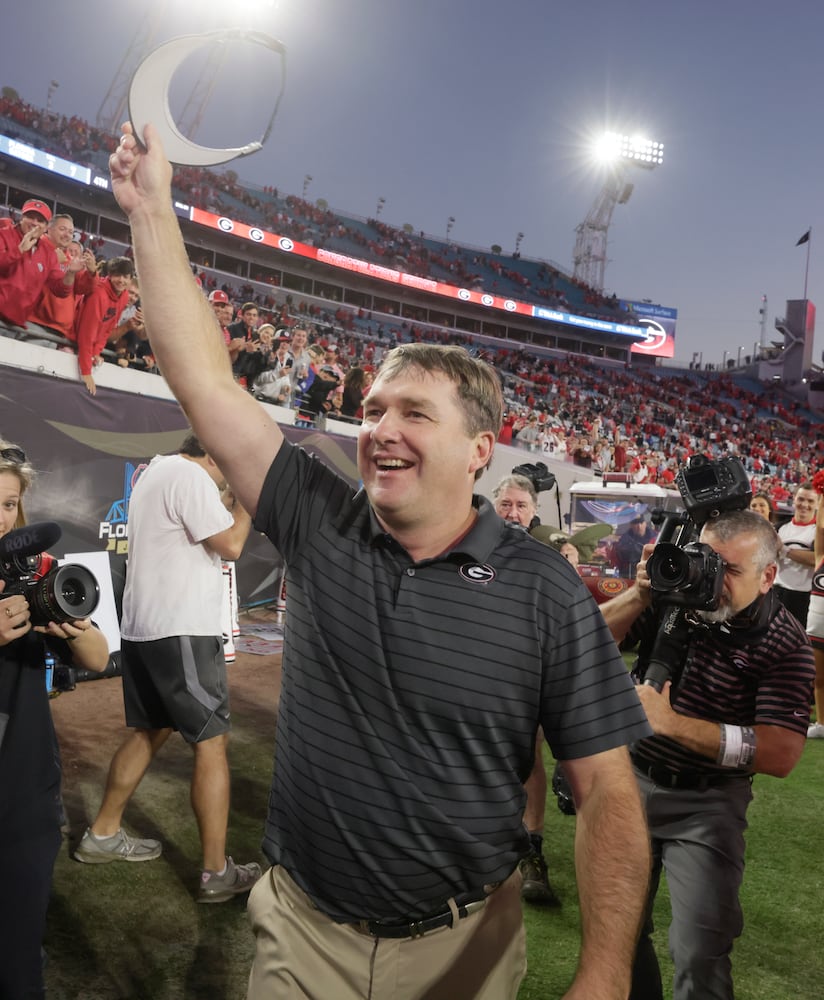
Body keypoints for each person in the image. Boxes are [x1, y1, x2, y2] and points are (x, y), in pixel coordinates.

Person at [107, 121, 652, 999]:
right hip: (301, 929)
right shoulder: (320, 517)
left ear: (482, 451)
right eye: (373, 408)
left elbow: (607, 792)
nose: (382, 430)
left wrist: (604, 972)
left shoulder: (543, 587)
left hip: (463, 945)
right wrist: (149, 211)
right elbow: (204, 382)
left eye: (415, 414)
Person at [601, 509, 815, 1000]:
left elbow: (780, 754)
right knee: (619, 933)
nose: (710, 579)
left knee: (698, 948)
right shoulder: (677, 593)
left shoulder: (786, 644)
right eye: (705, 561)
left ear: (768, 577)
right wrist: (640, 594)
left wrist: (670, 722)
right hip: (630, 780)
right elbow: (585, 642)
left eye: (730, 570)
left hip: (707, 802)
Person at [75, 433, 261, 903]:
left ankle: (102, 834)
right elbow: (233, 544)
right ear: (215, 453)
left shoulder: (157, 471)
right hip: (182, 632)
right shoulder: (190, 477)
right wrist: (249, 501)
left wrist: (228, 497)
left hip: (146, 630)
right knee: (212, 743)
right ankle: (216, 873)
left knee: (149, 732)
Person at [0, 439, 110, 998]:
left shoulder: (35, 570)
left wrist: (75, 629)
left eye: (7, 504)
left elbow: (97, 659)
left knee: (18, 956)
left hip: (24, 785)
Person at [491, 473, 560, 907]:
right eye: (506, 505)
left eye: (521, 506)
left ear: (534, 512)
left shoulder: (547, 559)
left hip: (522, 674)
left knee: (529, 754)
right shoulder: (464, 544)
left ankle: (531, 852)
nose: (514, 513)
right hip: (470, 670)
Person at [0, 198, 85, 330]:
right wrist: (20, 250)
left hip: (16, 322)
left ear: (45, 227)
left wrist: (70, 273)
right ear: (22, 217)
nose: (34, 223)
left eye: (40, 220)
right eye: (30, 217)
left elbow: (60, 290)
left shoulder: (48, 252)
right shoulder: (4, 234)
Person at [73, 256, 136, 395]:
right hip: (74, 340)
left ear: (130, 279)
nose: (121, 280)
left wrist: (96, 352)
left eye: (125, 276)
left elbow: (107, 329)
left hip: (87, 348)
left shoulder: (124, 296)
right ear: (110, 275)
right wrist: (86, 371)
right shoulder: (98, 294)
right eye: (117, 275)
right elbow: (86, 333)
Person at [773, 482, 819, 626]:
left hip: (804, 596)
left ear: (818, 504)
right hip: (777, 591)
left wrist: (784, 550)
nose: (805, 504)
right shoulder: (780, 528)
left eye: (810, 501)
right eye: (801, 499)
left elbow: (816, 559)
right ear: (794, 499)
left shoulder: (818, 532)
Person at [806, 493, 824, 738]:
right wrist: (821, 498)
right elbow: (820, 528)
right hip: (817, 629)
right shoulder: (821, 558)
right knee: (818, 677)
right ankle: (821, 722)